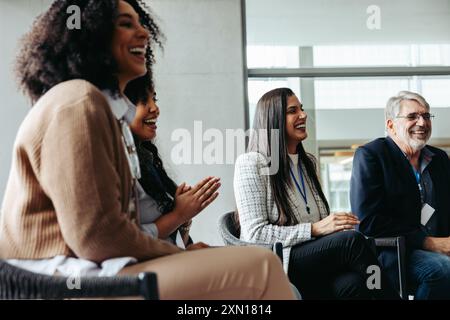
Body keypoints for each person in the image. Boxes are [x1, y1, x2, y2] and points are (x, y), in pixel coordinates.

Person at [0, 0, 295, 300]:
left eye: (142, 24)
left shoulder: (99, 109)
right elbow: (97, 238)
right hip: (66, 279)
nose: (144, 33)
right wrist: (176, 253)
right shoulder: (78, 103)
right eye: (126, 24)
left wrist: (180, 250)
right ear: (90, 35)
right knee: (262, 266)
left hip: (92, 269)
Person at [234, 87, 399, 300]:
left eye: (301, 109)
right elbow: (254, 234)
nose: (303, 115)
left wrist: (333, 225)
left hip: (313, 258)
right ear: (273, 119)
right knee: (352, 242)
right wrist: (313, 229)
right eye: (292, 111)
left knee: (355, 284)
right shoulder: (251, 163)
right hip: (281, 259)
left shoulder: (306, 162)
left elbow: (319, 221)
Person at [350, 91, 450, 299]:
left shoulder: (439, 158)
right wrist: (428, 242)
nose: (422, 122)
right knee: (441, 270)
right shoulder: (371, 155)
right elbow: (369, 221)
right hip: (394, 251)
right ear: (391, 125)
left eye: (426, 116)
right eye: (412, 116)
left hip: (440, 245)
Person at [124, 83, 218, 249]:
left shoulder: (147, 160)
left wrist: (185, 219)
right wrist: (179, 214)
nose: (155, 108)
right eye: (144, 101)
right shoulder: (122, 164)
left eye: (154, 99)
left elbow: (172, 241)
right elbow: (126, 241)